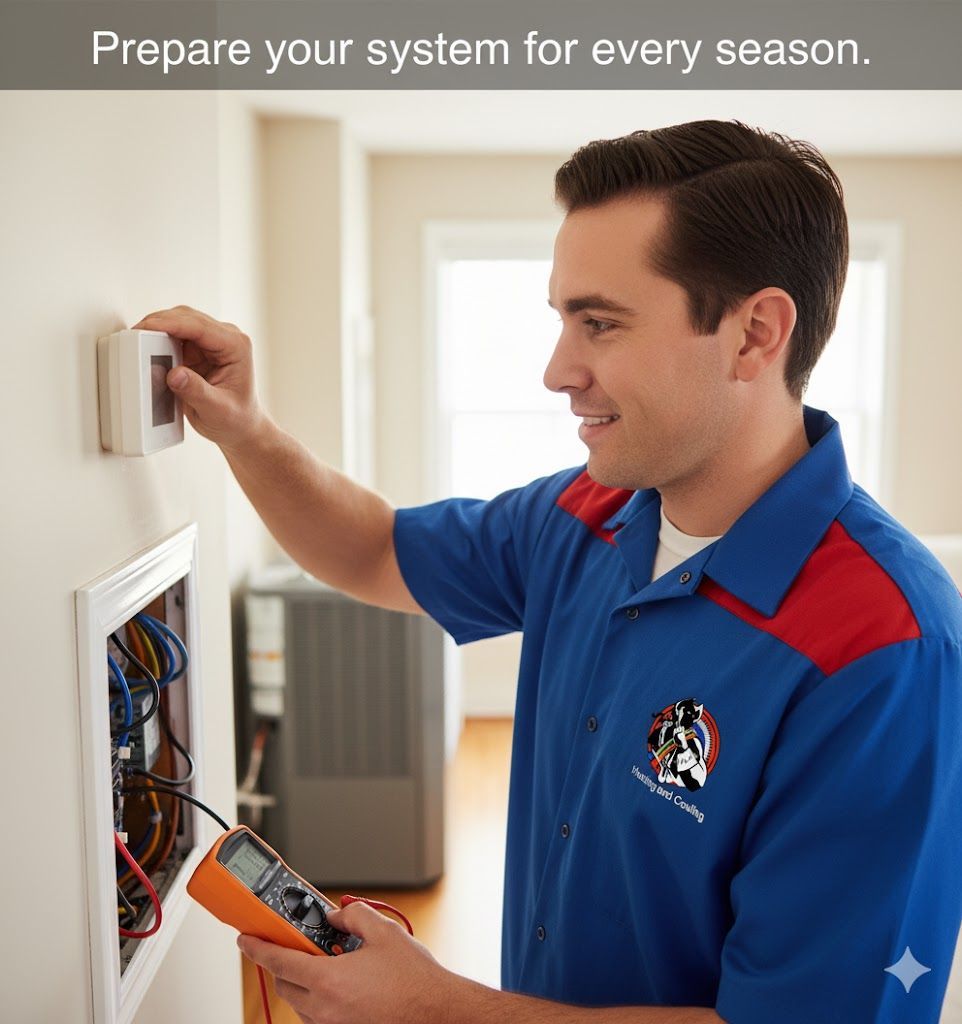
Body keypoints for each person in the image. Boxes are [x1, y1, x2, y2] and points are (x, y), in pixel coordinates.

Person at [134, 119, 962, 1024]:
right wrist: (247, 432)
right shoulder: (589, 516)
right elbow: (373, 549)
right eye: (563, 319)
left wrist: (435, 1007)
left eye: (600, 323)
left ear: (754, 334)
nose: (557, 370)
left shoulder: (885, 649)